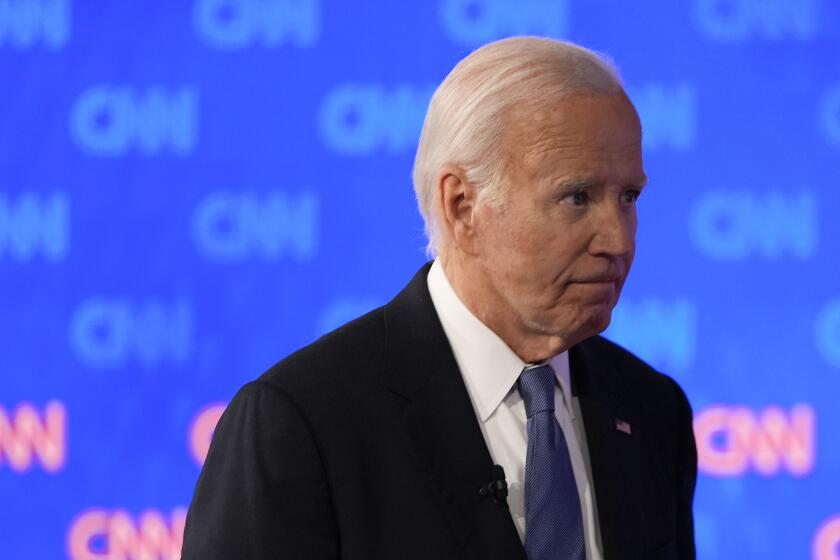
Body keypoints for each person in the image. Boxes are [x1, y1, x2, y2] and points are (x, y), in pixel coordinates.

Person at [181, 35, 697, 560]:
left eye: (628, 197)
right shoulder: (301, 425)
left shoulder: (652, 411)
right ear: (461, 206)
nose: (619, 240)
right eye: (577, 197)